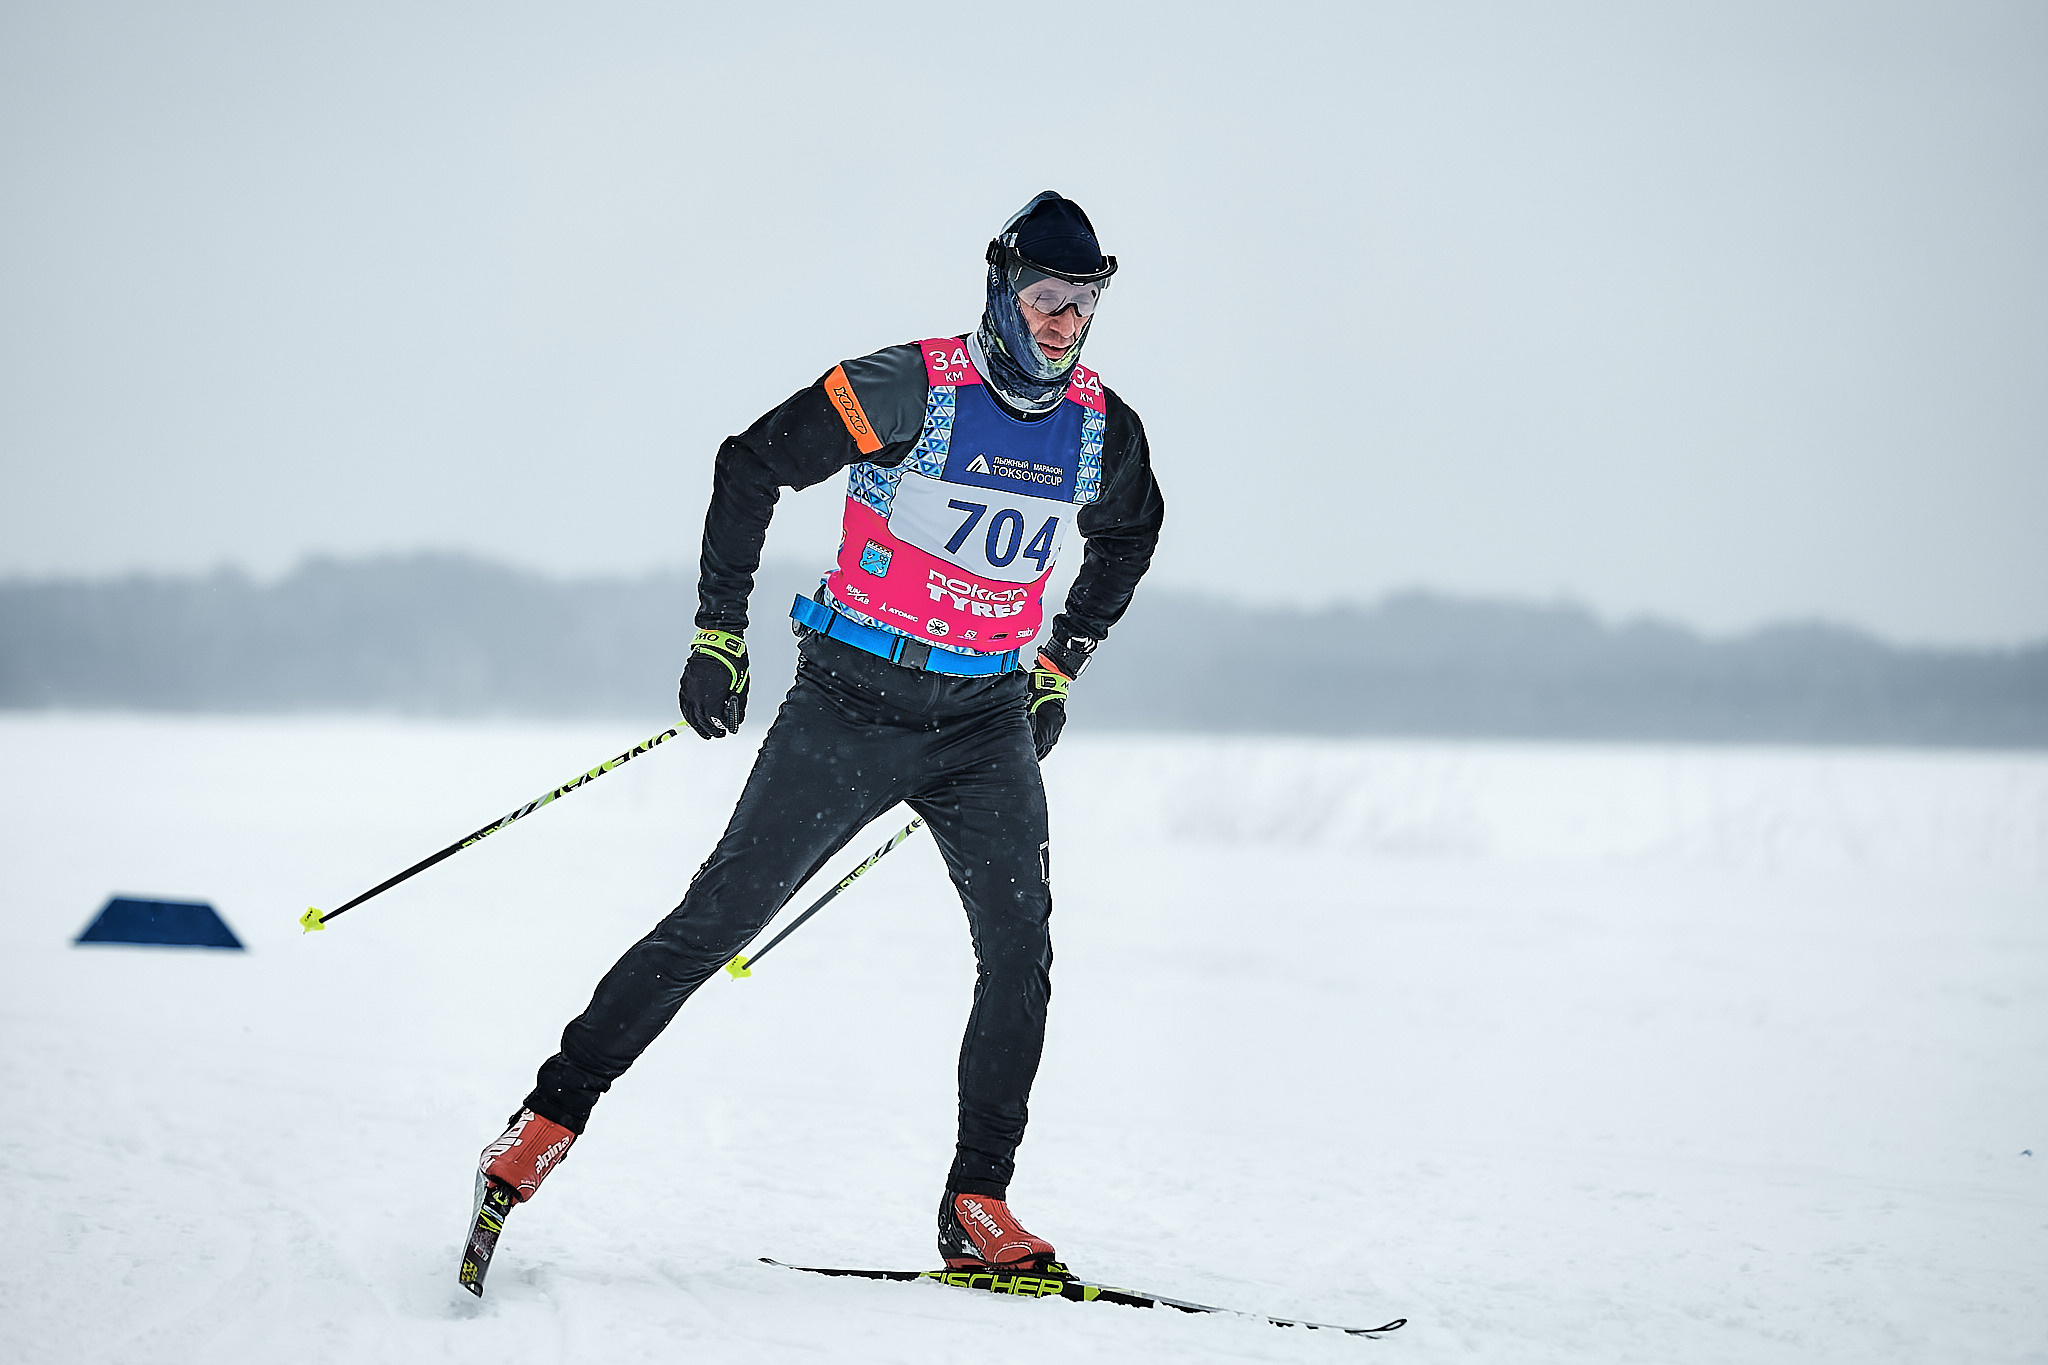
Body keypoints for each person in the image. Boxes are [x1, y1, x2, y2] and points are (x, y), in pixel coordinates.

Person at [474, 191, 1164, 1275]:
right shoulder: (907, 386)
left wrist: (1058, 662)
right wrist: (717, 633)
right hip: (850, 704)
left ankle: (976, 1206)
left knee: (1019, 953)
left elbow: (1131, 532)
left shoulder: (1097, 425)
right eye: (1044, 297)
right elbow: (751, 463)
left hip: (982, 722)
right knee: (714, 922)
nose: (1062, 323)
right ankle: (543, 1124)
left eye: (1082, 304)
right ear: (1000, 289)